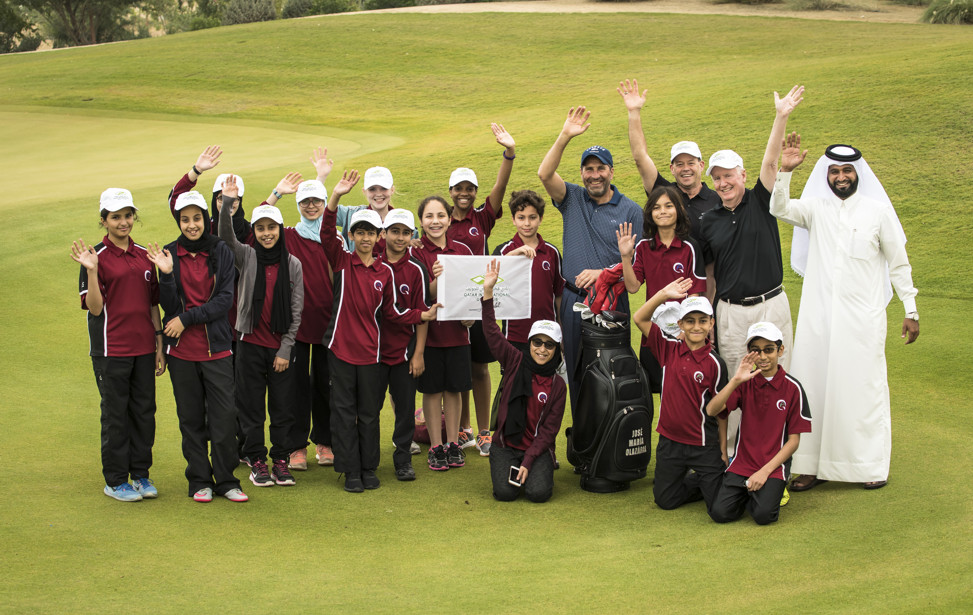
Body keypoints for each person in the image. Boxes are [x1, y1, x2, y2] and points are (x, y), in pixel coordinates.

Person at [770, 139, 920, 491]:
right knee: (814, 387)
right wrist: (786, 172)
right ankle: (809, 466)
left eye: (847, 170)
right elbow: (778, 208)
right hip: (818, 318)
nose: (840, 176)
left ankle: (869, 465)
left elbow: (898, 264)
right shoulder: (814, 208)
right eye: (834, 171)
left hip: (862, 319)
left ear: (858, 174)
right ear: (827, 174)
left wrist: (910, 309)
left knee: (862, 389)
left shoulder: (877, 212)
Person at [698, 85, 804, 453]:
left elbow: (772, 164)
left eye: (729, 175)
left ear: (743, 174)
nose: (723, 183)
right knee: (735, 381)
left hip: (770, 304)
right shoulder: (708, 219)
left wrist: (781, 115)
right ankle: (731, 456)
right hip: (729, 311)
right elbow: (710, 274)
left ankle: (779, 457)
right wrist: (709, 317)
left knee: (777, 378)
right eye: (717, 178)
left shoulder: (762, 200)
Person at [323, 170, 441, 492]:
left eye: (370, 233)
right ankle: (351, 470)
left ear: (377, 237)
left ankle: (370, 465)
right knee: (347, 413)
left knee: (370, 414)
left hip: (374, 353)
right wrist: (335, 195)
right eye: (359, 232)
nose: (365, 238)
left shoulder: (384, 273)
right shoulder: (343, 261)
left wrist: (423, 315)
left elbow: (393, 312)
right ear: (353, 235)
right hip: (343, 350)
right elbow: (325, 231)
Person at [537, 106, 644, 406]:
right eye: (589, 169)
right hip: (574, 299)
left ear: (611, 171)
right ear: (582, 172)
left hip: (613, 300)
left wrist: (602, 274)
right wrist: (564, 136)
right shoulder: (572, 198)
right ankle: (584, 446)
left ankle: (610, 443)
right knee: (576, 373)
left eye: (600, 169)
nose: (594, 175)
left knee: (613, 373)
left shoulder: (632, 210)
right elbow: (544, 173)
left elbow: (636, 267)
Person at [147, 190, 248, 503]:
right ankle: (199, 480)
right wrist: (165, 276)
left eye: (197, 218)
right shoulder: (169, 253)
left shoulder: (221, 251)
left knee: (223, 418)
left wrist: (186, 318)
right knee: (190, 420)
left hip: (216, 349)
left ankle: (227, 480)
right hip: (182, 354)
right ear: (179, 221)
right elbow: (165, 303)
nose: (192, 225)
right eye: (185, 219)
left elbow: (224, 301)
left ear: (206, 218)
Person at [71, 188, 165, 502]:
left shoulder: (143, 256)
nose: (123, 222)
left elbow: (153, 306)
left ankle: (140, 474)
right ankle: (115, 481)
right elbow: (95, 308)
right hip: (111, 351)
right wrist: (93, 271)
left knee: (144, 412)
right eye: (115, 217)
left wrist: (159, 345)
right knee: (116, 415)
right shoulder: (93, 258)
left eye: (127, 215)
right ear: (104, 220)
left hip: (143, 348)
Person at [218, 175, 304, 489]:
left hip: (280, 349)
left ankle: (280, 460)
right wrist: (227, 202)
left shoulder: (292, 264)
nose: (266, 234)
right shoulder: (247, 256)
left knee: (282, 408)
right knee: (251, 408)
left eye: (271, 228)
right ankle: (257, 460)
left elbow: (296, 312)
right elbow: (226, 239)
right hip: (250, 345)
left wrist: (285, 348)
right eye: (260, 228)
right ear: (253, 232)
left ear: (280, 230)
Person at [262, 169, 338, 471]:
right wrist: (276, 194)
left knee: (325, 385)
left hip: (327, 323)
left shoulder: (332, 237)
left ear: (323, 202)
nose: (310, 206)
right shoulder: (288, 236)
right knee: (293, 387)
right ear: (299, 205)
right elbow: (258, 224)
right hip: (292, 325)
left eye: (316, 201)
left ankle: (325, 442)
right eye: (305, 202)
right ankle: (295, 448)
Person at [448, 123, 516, 457]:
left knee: (480, 367)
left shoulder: (482, 219)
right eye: (459, 188)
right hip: (452, 307)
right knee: (459, 369)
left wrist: (509, 154)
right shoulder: (441, 221)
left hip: (481, 304)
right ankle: (464, 429)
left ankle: (485, 431)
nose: (465, 193)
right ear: (450, 191)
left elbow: (500, 188)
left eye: (469, 188)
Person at [632, 279, 728, 513]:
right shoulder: (668, 348)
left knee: (718, 507)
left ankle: (716, 479)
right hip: (670, 442)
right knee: (665, 500)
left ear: (711, 323)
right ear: (680, 324)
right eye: (690, 321)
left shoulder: (716, 363)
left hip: (703, 444)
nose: (696, 327)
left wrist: (724, 449)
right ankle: (702, 482)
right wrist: (663, 293)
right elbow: (639, 318)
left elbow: (722, 411)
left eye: (703, 321)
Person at [706, 322, 811, 524]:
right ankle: (752, 491)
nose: (762, 357)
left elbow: (794, 441)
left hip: (773, 467)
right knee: (720, 513)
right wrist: (736, 380)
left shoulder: (793, 388)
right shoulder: (744, 383)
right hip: (742, 463)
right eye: (756, 351)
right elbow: (712, 410)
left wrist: (764, 472)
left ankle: (772, 489)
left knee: (763, 516)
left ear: (780, 350)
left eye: (769, 350)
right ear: (749, 353)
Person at [480, 260, 566, 503]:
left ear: (556, 350)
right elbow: (492, 333)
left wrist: (529, 460)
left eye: (549, 345)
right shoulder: (514, 360)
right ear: (529, 344)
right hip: (505, 445)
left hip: (536, 449)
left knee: (538, 494)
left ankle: (538, 467)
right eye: (537, 342)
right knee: (505, 494)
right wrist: (488, 293)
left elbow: (549, 431)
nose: (541, 349)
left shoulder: (558, 385)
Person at [616, 186, 706, 395]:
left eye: (668, 206)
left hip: (684, 335)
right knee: (652, 392)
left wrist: (687, 331)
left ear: (678, 210)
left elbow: (695, 295)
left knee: (685, 392)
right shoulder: (644, 247)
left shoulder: (689, 247)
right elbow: (632, 286)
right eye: (656, 207)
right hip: (653, 333)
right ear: (650, 214)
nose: (662, 211)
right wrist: (625, 257)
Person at [409, 195, 474, 471]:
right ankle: (436, 446)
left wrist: (471, 317)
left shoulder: (463, 251)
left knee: (455, 389)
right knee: (433, 391)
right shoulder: (415, 252)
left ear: (449, 219)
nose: (435, 221)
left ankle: (453, 444)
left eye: (440, 216)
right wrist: (434, 279)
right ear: (421, 221)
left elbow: (473, 291)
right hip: (430, 335)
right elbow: (422, 294)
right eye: (428, 216)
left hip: (458, 334)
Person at [618, 79, 722, 244]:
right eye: (679, 164)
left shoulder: (717, 200)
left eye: (691, 163)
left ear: (701, 166)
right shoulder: (662, 191)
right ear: (672, 169)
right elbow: (640, 157)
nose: (685, 168)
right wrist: (634, 112)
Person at [377, 208, 432, 481]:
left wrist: (419, 353)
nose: (400, 237)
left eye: (405, 233)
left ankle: (402, 459)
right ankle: (368, 457)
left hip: (405, 351)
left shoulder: (416, 269)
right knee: (368, 408)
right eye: (394, 231)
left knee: (405, 408)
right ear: (383, 233)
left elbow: (422, 315)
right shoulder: (371, 262)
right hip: (372, 351)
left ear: (412, 236)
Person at [492, 189, 565, 355]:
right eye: (521, 217)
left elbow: (559, 294)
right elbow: (489, 284)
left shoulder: (551, 252)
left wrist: (561, 330)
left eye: (532, 217)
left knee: (546, 381)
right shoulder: (503, 251)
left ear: (540, 219)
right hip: (515, 336)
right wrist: (512, 256)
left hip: (547, 334)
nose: (527, 223)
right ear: (513, 219)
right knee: (515, 381)